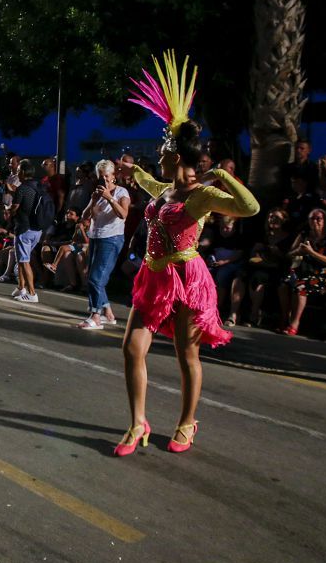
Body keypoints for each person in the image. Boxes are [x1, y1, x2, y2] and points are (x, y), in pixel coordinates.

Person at [116, 51, 259, 456]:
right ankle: (137, 422)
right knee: (131, 348)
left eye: (161, 154)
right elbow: (147, 182)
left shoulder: (202, 195)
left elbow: (250, 208)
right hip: (153, 275)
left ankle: (186, 421)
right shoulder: (165, 191)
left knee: (186, 354)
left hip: (188, 279)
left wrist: (224, 176)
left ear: (176, 157)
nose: (156, 158)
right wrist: (129, 171)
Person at [77, 159, 130, 328]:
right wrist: (93, 200)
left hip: (111, 238)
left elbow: (123, 214)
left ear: (114, 176)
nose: (105, 180)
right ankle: (108, 312)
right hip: (95, 237)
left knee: (96, 278)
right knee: (93, 276)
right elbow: (85, 216)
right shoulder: (97, 194)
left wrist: (109, 198)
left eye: (107, 176)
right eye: (101, 177)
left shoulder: (122, 192)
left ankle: (95, 316)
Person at [278, 208, 326, 336]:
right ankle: (284, 318)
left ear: (325, 221)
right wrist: (298, 252)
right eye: (312, 218)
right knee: (284, 284)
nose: (315, 221)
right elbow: (289, 254)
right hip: (301, 271)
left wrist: (311, 252)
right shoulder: (304, 235)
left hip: (321, 275)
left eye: (318, 219)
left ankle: (294, 323)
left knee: (300, 288)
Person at [7, 160, 44, 303]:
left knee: (24, 260)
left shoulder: (21, 189)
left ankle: (32, 293)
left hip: (24, 228)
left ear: (22, 172)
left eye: (18, 170)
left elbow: (15, 207)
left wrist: (7, 210)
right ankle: (21, 287)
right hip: (37, 229)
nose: (17, 173)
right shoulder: (39, 186)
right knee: (22, 260)